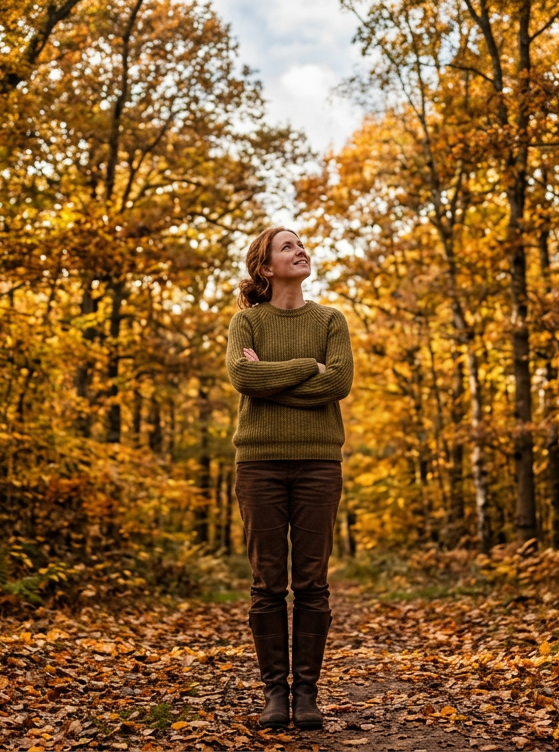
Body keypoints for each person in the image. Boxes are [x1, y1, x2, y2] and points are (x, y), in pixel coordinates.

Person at [225, 225, 354, 730]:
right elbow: (242, 378)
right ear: (265, 266)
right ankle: (274, 694)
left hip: (319, 462)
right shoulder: (246, 322)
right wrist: (307, 368)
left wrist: (272, 378)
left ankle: (307, 695)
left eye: (301, 244)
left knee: (312, 584)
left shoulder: (330, 319)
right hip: (257, 463)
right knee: (267, 585)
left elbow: (338, 383)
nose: (300, 250)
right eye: (288, 246)